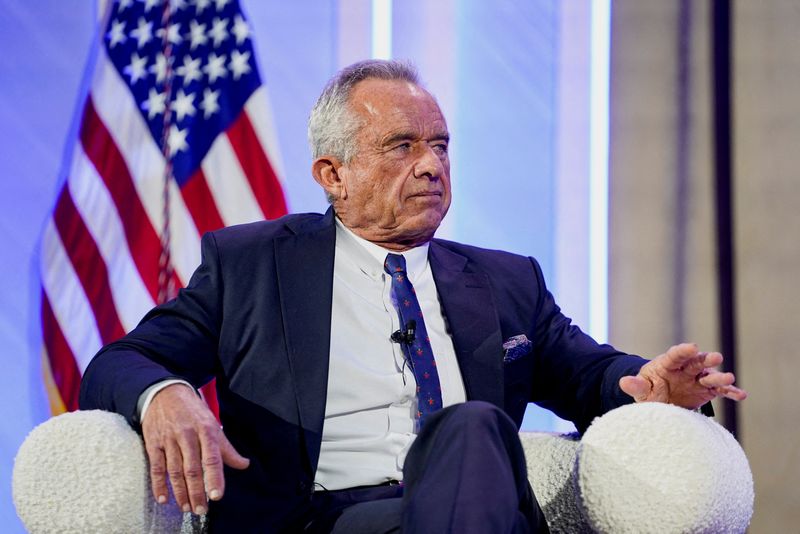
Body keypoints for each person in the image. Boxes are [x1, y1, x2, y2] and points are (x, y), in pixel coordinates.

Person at [79, 59, 746, 533]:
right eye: (402, 146)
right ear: (333, 174)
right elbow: (116, 363)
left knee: (472, 424)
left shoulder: (506, 280)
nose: (431, 165)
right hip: (321, 518)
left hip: (478, 505)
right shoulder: (252, 266)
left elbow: (588, 372)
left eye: (440, 146)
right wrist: (161, 393)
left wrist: (648, 385)